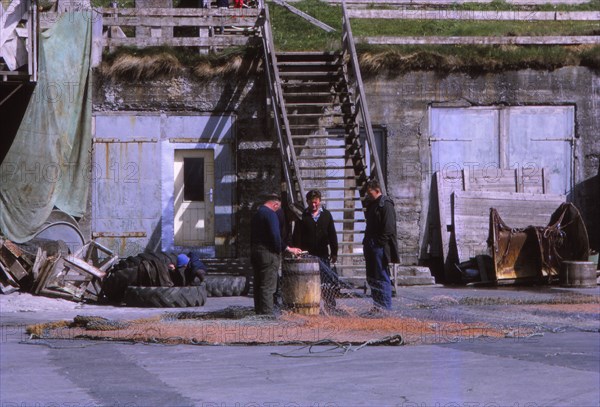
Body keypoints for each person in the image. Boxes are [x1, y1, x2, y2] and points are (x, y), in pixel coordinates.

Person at [251, 193, 302, 315]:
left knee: (258, 284)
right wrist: (286, 249)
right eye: (277, 208)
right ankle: (267, 315)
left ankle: (259, 312)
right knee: (268, 286)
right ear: (275, 204)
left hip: (256, 252)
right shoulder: (271, 214)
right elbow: (275, 236)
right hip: (268, 254)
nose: (278, 211)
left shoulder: (258, 213)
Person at [292, 189, 340, 311]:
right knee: (308, 282)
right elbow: (297, 235)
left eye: (316, 202)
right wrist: (296, 251)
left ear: (319, 201)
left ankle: (330, 307)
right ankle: (310, 306)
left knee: (326, 282)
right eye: (311, 203)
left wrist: (334, 252)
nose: (314, 205)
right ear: (307, 202)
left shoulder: (326, 215)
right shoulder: (303, 216)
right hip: (307, 255)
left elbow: (332, 234)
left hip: (323, 254)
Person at [363, 179, 399, 311]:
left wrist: (379, 244)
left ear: (377, 191)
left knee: (382, 276)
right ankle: (377, 305)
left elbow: (388, 228)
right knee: (372, 276)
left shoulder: (386, 205)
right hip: (371, 245)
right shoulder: (373, 205)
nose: (368, 195)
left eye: (370, 193)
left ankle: (385, 307)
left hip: (379, 247)